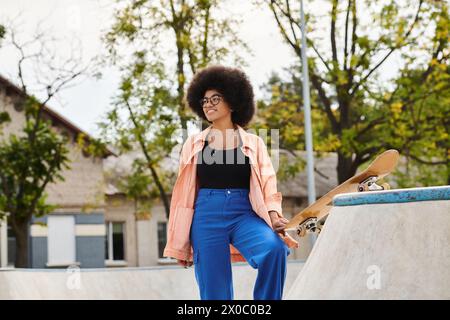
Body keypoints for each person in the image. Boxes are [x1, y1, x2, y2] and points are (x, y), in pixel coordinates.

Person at [163, 65, 299, 300]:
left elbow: (268, 183)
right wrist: (180, 241)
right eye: (204, 100)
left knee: (274, 251)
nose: (209, 104)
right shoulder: (194, 144)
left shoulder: (254, 143)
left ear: (234, 102)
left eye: (216, 98)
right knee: (215, 292)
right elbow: (183, 196)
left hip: (244, 214)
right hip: (206, 217)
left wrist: (275, 215)